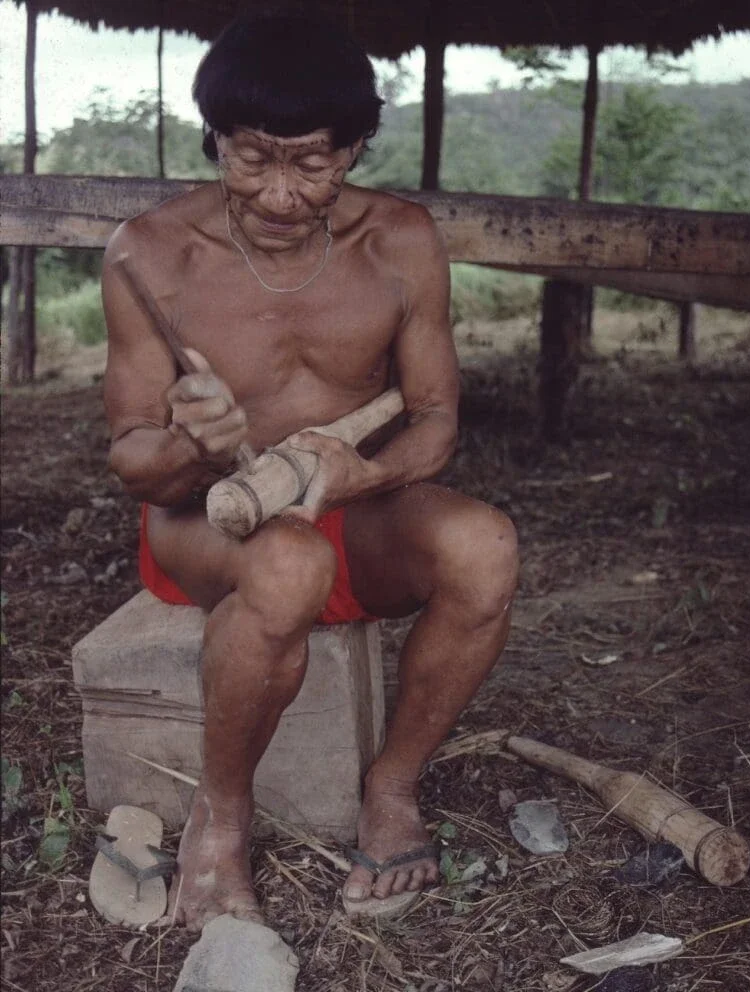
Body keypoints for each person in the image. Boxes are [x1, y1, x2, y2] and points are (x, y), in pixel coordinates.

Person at [102, 10, 518, 931]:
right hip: (206, 522)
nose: (282, 195)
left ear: (360, 145)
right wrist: (188, 444)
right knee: (288, 559)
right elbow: (134, 464)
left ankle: (394, 784)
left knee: (485, 547)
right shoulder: (150, 254)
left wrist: (360, 477)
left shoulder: (401, 242)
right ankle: (223, 814)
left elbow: (437, 418)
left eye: (314, 163)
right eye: (251, 160)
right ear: (211, 136)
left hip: (348, 503)